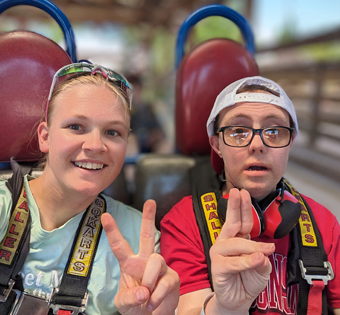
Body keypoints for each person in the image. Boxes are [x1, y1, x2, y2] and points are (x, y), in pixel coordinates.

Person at [0, 63, 179, 315]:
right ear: (45, 137)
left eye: (112, 132)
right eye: (76, 127)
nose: (95, 145)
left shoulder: (139, 239)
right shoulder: (3, 205)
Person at [160, 76, 340, 315]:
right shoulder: (184, 221)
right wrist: (224, 308)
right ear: (216, 145)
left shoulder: (323, 222)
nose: (257, 144)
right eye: (238, 131)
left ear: (290, 143)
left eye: (274, 131)